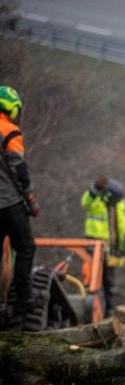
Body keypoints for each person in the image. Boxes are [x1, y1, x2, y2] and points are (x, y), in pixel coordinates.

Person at [0, 85, 39, 326]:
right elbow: (19, 168)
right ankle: (23, 298)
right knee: (25, 246)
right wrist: (30, 200)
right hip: (7, 201)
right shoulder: (9, 131)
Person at [81, 175, 125, 312]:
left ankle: (109, 308)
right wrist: (94, 190)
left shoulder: (118, 204)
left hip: (111, 246)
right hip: (94, 244)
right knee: (93, 277)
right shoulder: (95, 200)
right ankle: (91, 307)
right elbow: (85, 202)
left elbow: (122, 222)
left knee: (109, 279)